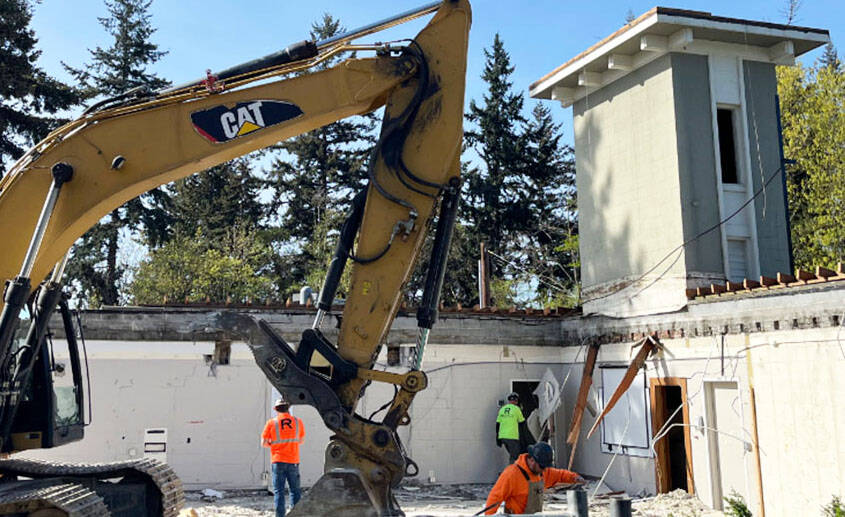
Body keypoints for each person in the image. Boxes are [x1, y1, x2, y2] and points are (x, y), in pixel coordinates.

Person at [483, 442, 585, 515]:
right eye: (542, 466)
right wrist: (489, 515)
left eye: (546, 467)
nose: (544, 470)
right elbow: (494, 499)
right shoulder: (511, 474)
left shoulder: (541, 472)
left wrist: (574, 477)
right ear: (532, 460)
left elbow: (559, 474)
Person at [262, 397, 305, 517]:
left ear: (276, 409)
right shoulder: (298, 422)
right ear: (288, 408)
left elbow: (264, 443)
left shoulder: (272, 423)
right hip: (293, 461)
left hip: (278, 460)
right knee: (295, 491)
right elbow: (301, 440)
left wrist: (274, 444)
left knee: (279, 492)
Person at [495, 392, 525, 463]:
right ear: (516, 401)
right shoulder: (516, 409)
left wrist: (497, 437)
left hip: (503, 437)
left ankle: (512, 470)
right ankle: (511, 472)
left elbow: (497, 424)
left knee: (512, 454)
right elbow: (522, 422)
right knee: (515, 456)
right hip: (512, 436)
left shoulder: (502, 409)